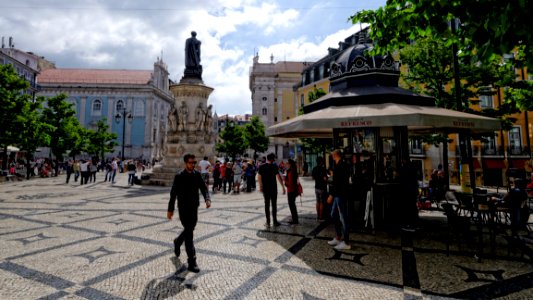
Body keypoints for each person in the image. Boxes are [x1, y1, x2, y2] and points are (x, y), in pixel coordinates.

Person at [167, 153, 211, 273]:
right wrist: (170, 209)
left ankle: (178, 241)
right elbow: (173, 194)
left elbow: (203, 188)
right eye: (191, 163)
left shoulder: (197, 175)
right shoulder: (179, 176)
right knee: (189, 233)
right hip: (183, 208)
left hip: (194, 208)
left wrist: (207, 199)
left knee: (189, 229)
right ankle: (192, 261)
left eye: (194, 163)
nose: (193, 165)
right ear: (186, 163)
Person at [327, 149, 351, 250]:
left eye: (333, 154)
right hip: (337, 194)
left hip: (340, 194)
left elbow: (340, 182)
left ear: (336, 155)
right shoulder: (336, 164)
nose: (332, 156)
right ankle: (338, 236)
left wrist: (331, 194)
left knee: (343, 218)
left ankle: (346, 242)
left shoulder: (342, 165)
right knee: (334, 214)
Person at [257, 153, 286, 227]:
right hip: (273, 188)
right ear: (273, 159)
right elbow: (278, 177)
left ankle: (268, 222)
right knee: (274, 205)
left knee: (267, 205)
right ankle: (275, 221)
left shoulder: (261, 166)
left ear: (267, 158)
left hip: (265, 188)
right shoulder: (274, 166)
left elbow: (259, 177)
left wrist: (260, 186)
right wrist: (282, 186)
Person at [312, 156, 328, 221]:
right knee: (322, 202)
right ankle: (321, 217)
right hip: (322, 187)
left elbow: (313, 178)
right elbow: (325, 178)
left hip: (316, 187)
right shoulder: (323, 169)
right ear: (321, 161)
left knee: (317, 202)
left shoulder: (314, 168)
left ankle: (318, 216)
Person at [284, 159, 300, 225]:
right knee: (292, 204)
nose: (286, 164)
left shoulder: (290, 172)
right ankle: (294, 218)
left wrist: (285, 179)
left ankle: (295, 220)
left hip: (291, 190)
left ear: (290, 164)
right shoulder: (293, 171)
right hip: (293, 190)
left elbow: (290, 183)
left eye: (287, 163)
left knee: (292, 205)